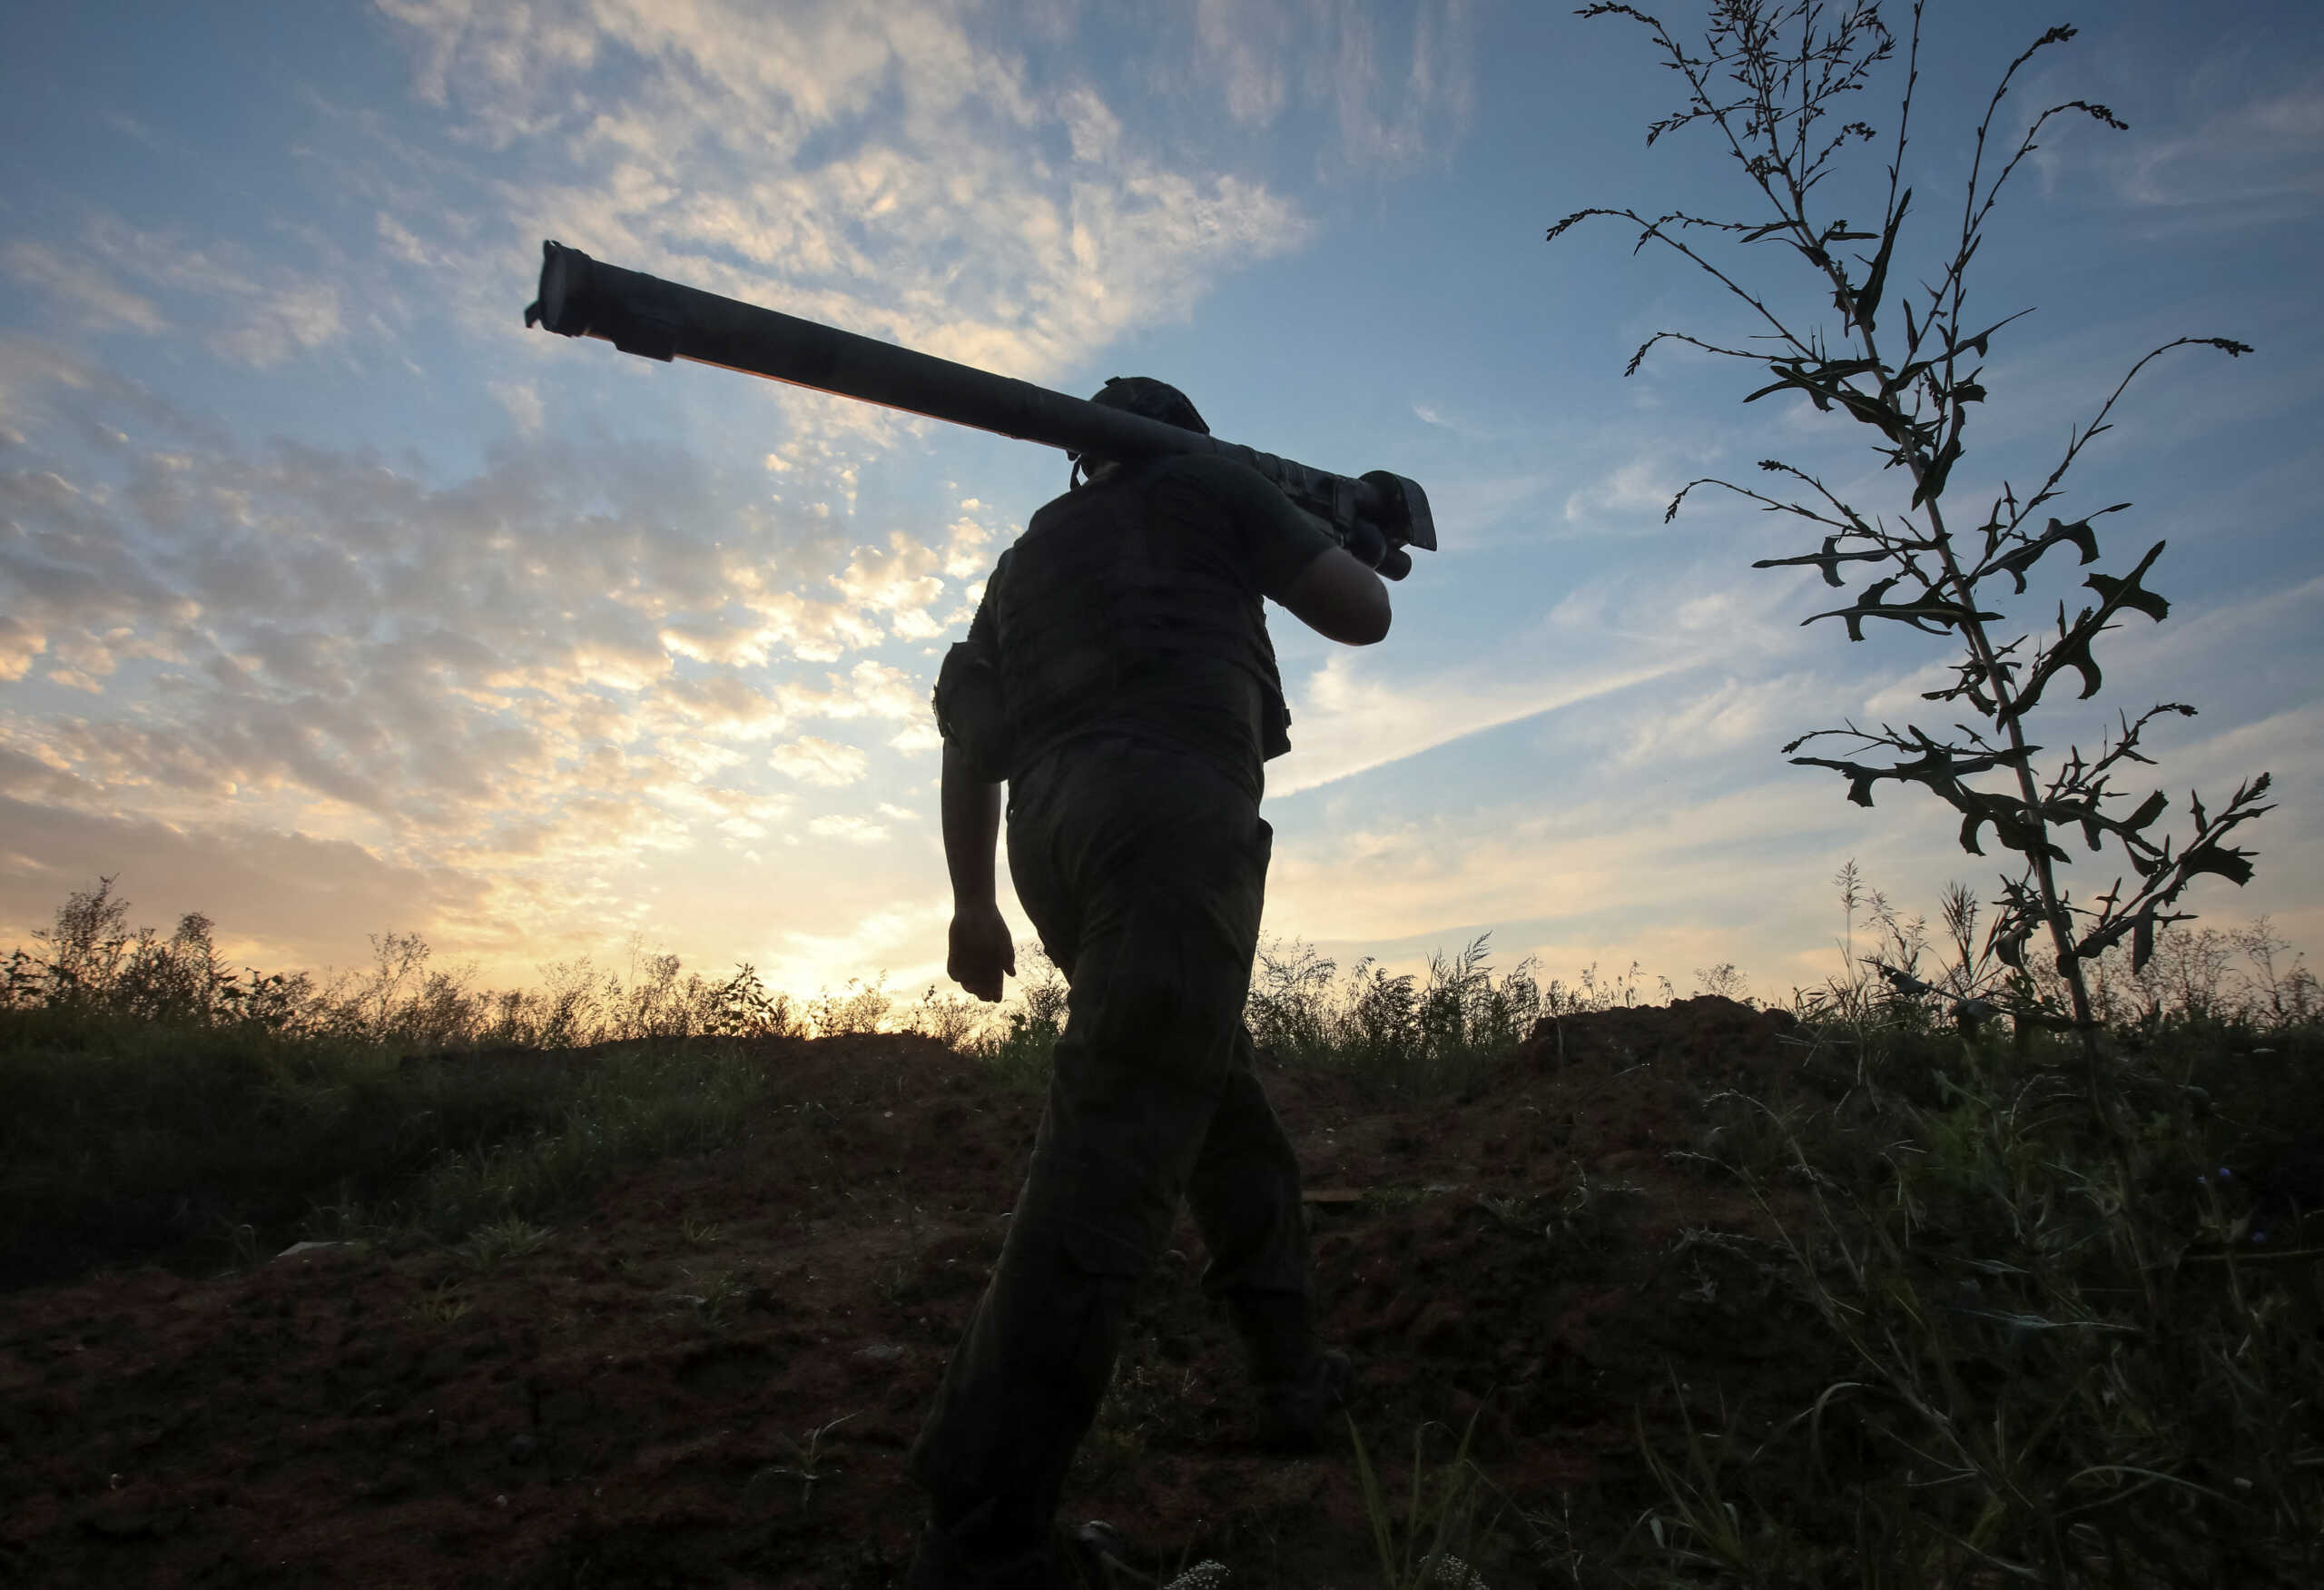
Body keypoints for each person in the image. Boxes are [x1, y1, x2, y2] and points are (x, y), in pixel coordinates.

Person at [906, 377, 1394, 1588]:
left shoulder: (1026, 559)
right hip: (1168, 816)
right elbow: (1362, 612)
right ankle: (987, 1542)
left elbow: (972, 745)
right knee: (1113, 1148)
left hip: (1052, 846)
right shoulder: (1213, 481)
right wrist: (1307, 529)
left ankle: (1290, 1375)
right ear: (1191, 433)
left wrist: (971, 906)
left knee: (1209, 1093)